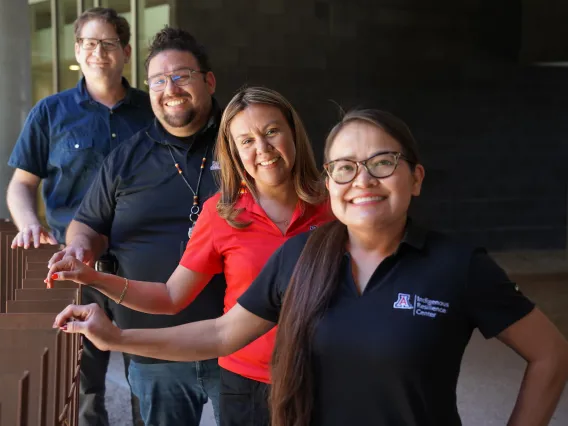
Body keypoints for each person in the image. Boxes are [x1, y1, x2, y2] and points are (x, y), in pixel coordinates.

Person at [52, 109, 568, 426]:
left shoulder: (458, 265)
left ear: (416, 177)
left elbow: (550, 354)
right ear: (330, 181)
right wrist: (116, 337)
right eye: (345, 167)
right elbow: (217, 335)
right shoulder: (301, 257)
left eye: (382, 163)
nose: (362, 180)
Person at [47, 86, 333, 426]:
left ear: (293, 133)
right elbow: (170, 297)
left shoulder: (335, 205)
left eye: (272, 131)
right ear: (234, 152)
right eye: (246, 141)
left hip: (326, 377)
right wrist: (92, 277)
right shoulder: (223, 213)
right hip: (247, 383)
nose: (263, 149)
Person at [47, 27, 226, 426]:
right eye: (159, 80)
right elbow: (87, 224)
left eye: (181, 75)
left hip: (238, 340)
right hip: (152, 344)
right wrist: (80, 248)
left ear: (208, 81)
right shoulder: (126, 158)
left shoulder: (241, 145)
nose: (170, 88)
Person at [6, 8, 153, 425]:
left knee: (145, 372)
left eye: (108, 43)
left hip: (141, 265)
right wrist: (28, 223)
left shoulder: (151, 113)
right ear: (76, 50)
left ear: (125, 51)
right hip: (74, 265)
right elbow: (20, 185)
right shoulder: (50, 113)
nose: (98, 52)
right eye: (89, 43)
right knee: (82, 380)